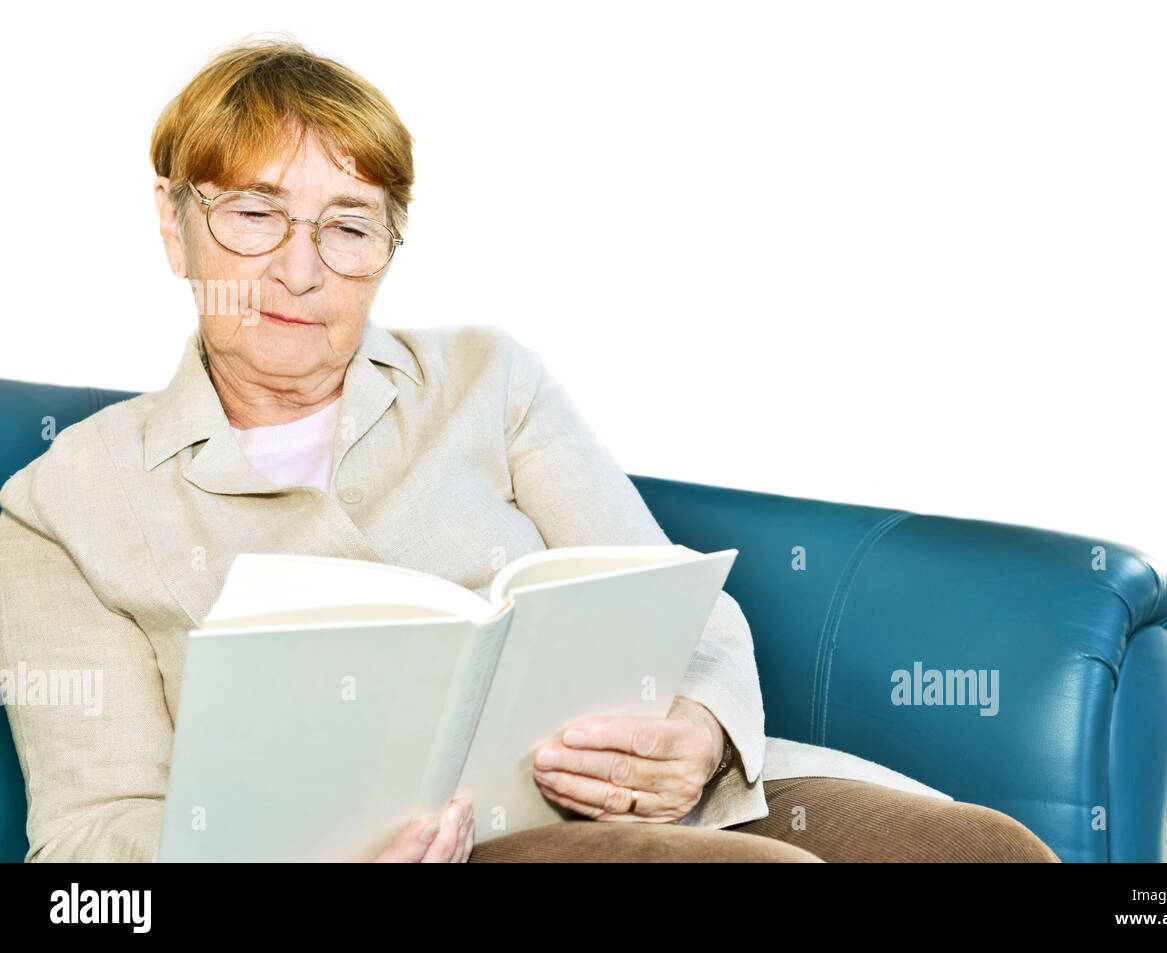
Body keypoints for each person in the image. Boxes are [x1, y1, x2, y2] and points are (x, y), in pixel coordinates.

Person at [0, 36, 1058, 863]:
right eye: (254, 215)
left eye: (349, 225)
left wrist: (699, 726)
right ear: (175, 224)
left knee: (980, 849)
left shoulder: (487, 377)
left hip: (666, 800)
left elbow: (685, 608)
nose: (299, 269)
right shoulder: (61, 505)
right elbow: (92, 838)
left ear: (388, 247)